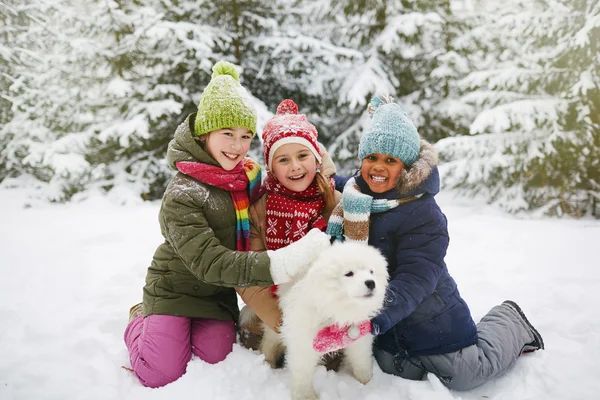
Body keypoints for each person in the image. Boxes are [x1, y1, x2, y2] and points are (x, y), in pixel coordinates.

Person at [123, 62, 330, 388]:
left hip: (217, 293)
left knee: (217, 355)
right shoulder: (183, 192)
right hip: (174, 288)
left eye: (245, 136)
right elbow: (208, 261)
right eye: (227, 135)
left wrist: (321, 166)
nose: (237, 145)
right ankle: (140, 320)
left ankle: (179, 330)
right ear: (205, 133)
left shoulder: (247, 177)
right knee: (159, 372)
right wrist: (280, 264)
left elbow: (294, 176)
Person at [325, 95, 544, 391]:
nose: (378, 167)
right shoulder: (358, 196)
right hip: (389, 320)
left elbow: (416, 278)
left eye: (391, 160)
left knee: (465, 375)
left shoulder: (424, 214)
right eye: (371, 158)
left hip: (430, 316)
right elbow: (345, 181)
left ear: (407, 168)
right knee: (391, 366)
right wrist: (322, 178)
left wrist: (374, 318)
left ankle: (511, 320)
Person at [236, 99, 342, 368]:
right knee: (256, 342)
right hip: (274, 305)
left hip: (323, 306)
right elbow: (248, 269)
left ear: (316, 158)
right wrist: (280, 318)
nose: (295, 166)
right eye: (284, 159)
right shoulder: (259, 206)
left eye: (303, 156)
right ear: (272, 167)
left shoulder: (335, 200)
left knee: (328, 361)